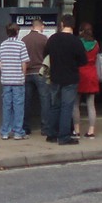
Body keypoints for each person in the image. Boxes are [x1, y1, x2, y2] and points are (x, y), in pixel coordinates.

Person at [44, 15, 84, 145]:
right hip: (70, 78)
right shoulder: (76, 41)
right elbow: (83, 60)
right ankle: (64, 136)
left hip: (55, 77)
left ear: (62, 24)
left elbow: (45, 53)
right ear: (72, 25)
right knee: (67, 107)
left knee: (55, 106)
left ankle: (51, 134)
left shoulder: (53, 39)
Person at [0, 23, 28, 140]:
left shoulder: (3, 45)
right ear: (17, 32)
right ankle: (18, 132)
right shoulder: (21, 44)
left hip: (6, 80)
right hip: (18, 80)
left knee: (7, 106)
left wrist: (4, 71)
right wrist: (23, 75)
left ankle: (5, 131)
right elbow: (24, 62)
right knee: (18, 106)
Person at [23, 17, 50, 137]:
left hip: (27, 73)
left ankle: (26, 127)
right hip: (40, 72)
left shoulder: (24, 39)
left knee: (26, 101)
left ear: (31, 27)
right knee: (45, 101)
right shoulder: (44, 39)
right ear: (42, 27)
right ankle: (45, 128)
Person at [76, 22, 101, 137]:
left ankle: (76, 130)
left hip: (79, 73)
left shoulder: (78, 43)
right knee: (91, 104)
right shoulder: (96, 44)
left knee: (75, 104)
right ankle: (91, 130)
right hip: (92, 73)